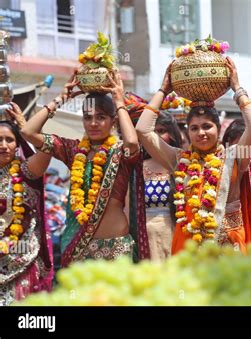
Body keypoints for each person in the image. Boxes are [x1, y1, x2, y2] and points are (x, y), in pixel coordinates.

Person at [21, 71, 150, 266]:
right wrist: (60, 98)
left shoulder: (120, 153)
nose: (93, 123)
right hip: (79, 248)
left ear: (113, 121)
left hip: (116, 248)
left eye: (101, 117)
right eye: (87, 117)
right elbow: (28, 132)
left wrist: (118, 101)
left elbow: (132, 141)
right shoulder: (72, 150)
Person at [136, 58, 251, 254]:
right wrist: (163, 90)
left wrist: (237, 88)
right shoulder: (178, 160)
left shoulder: (235, 156)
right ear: (187, 133)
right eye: (194, 128)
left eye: (207, 126)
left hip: (229, 246)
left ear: (219, 129)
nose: (201, 133)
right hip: (191, 247)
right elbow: (143, 130)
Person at [0, 109, 53, 305]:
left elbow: (47, 150)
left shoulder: (25, 171)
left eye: (9, 140)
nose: (4, 145)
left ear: (18, 144)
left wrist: (24, 126)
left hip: (23, 262)